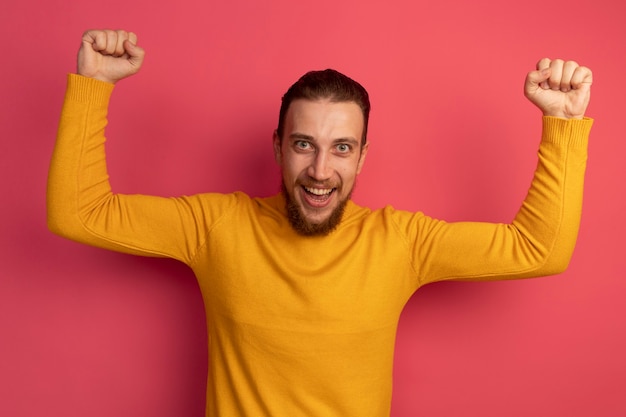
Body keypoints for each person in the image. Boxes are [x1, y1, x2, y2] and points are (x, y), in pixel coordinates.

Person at [47, 29, 593, 417]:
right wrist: (94, 85)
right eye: (304, 144)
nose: (320, 170)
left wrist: (562, 126)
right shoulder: (215, 225)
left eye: (342, 148)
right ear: (279, 147)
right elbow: (81, 212)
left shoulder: (400, 242)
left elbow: (537, 249)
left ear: (362, 157)